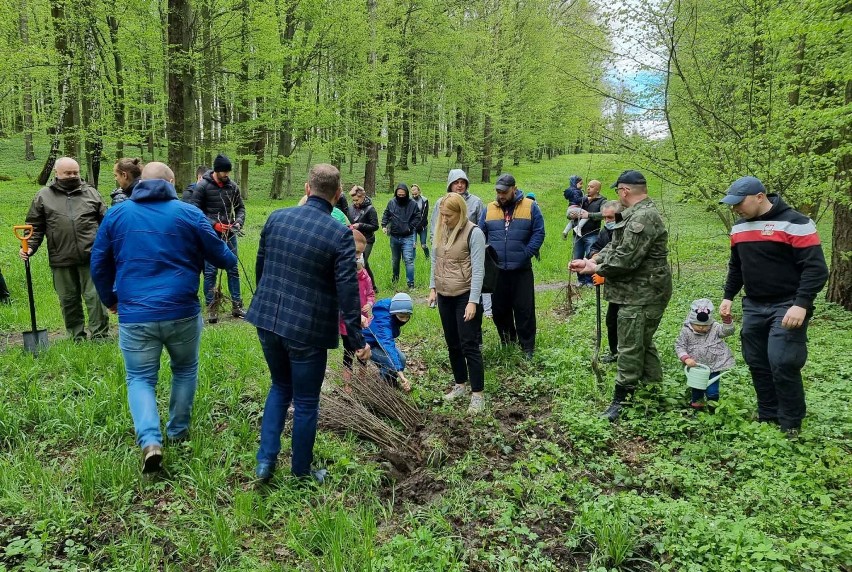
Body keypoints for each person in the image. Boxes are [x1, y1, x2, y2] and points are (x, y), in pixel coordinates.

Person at [90, 162, 237, 474]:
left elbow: (98, 262)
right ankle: (178, 431)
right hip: (182, 311)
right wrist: (223, 248)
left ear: (142, 181)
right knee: (184, 370)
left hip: (135, 313)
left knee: (140, 378)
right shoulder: (188, 213)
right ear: (172, 182)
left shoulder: (117, 214)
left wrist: (110, 299)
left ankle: (150, 441)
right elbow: (224, 259)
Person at [246, 163, 370, 484]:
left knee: (279, 386)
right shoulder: (339, 234)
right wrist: (356, 342)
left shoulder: (277, 218)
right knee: (304, 401)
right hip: (308, 330)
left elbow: (262, 269)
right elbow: (347, 292)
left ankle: (265, 463)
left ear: (307, 188)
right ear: (338, 195)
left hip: (268, 320)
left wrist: (268, 302)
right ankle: (301, 472)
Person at [719, 176, 828, 435]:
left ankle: (791, 421)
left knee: (782, 360)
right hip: (755, 304)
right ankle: (767, 413)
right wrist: (728, 296)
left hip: (788, 304)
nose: (735, 209)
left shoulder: (797, 223)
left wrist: (801, 304)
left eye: (739, 203)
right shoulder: (739, 228)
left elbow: (816, 269)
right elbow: (737, 266)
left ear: (760, 196)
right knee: (756, 360)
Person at [570, 170, 672, 421]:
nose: (618, 195)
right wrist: (591, 261)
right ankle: (652, 390)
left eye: (618, 191)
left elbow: (626, 259)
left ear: (624, 191)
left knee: (629, 345)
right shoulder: (633, 215)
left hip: (642, 294)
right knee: (642, 342)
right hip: (634, 292)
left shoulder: (644, 217)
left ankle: (622, 401)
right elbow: (615, 247)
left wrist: (597, 268)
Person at [20, 157, 110, 341]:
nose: (72, 176)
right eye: (67, 173)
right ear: (57, 174)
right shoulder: (43, 196)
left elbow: (107, 223)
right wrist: (29, 247)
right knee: (68, 299)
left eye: (75, 172)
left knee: (95, 298)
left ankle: (100, 336)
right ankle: (76, 336)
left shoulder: (91, 193)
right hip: (60, 257)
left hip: (91, 256)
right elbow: (34, 227)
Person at [428, 192, 487, 414]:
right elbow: (436, 260)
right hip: (444, 294)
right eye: (442, 215)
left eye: (449, 216)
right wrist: (433, 287)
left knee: (468, 344)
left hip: (465, 294)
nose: (444, 220)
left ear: (460, 213)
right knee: (452, 343)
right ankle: (460, 384)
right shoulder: (441, 230)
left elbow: (479, 270)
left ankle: (478, 394)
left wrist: (473, 301)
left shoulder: (474, 233)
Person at [479, 173, 545, 359]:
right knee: (500, 309)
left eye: (504, 192)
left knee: (524, 309)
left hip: (521, 269)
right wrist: (487, 257)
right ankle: (507, 340)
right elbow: (480, 234)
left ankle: (527, 347)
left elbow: (539, 233)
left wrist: (526, 253)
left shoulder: (531, 207)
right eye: (498, 191)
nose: (501, 195)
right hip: (497, 270)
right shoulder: (489, 209)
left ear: (514, 189)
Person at [189, 154, 246, 322]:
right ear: (217, 170)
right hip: (210, 234)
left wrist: (237, 223)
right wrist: (213, 224)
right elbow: (194, 210)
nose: (227, 175)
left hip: (230, 233)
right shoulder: (203, 187)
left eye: (228, 172)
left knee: (233, 268)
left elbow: (241, 208)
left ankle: (237, 305)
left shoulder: (233, 187)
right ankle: (212, 308)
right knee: (210, 271)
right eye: (224, 172)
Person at [675, 298, 735, 409]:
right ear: (691, 322)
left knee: (713, 390)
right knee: (697, 389)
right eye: (698, 325)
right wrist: (686, 358)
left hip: (714, 365)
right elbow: (680, 346)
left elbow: (728, 331)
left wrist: (726, 320)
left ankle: (713, 406)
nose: (701, 328)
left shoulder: (715, 328)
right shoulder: (686, 331)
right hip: (696, 367)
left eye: (705, 326)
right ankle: (697, 408)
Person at [340, 230, 375, 391]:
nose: (357, 256)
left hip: (363, 322)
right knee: (348, 353)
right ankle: (347, 384)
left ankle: (361, 381)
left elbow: (370, 293)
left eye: (360, 254)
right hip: (346, 324)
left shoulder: (365, 276)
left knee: (362, 352)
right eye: (356, 252)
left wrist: (369, 303)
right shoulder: (342, 273)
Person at [588, 200, 623, 364]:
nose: (607, 221)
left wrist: (603, 273)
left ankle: (626, 356)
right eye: (605, 218)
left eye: (610, 218)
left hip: (629, 287)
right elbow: (597, 247)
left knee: (626, 322)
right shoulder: (605, 231)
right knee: (611, 320)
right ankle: (614, 352)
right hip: (614, 287)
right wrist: (594, 258)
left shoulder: (626, 232)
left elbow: (621, 260)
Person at [362, 293, 413, 392]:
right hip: (367, 345)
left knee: (401, 359)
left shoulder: (393, 310)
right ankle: (382, 389)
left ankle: (391, 382)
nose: (404, 320)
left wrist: (398, 370)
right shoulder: (383, 323)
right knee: (390, 363)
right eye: (401, 316)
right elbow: (388, 345)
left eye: (407, 316)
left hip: (378, 341)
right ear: (394, 313)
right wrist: (401, 375)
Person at [381, 182, 420, 289]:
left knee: (409, 260)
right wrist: (384, 225)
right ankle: (395, 279)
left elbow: (417, 217)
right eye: (399, 195)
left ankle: (411, 284)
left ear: (406, 194)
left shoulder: (412, 204)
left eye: (403, 195)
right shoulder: (391, 203)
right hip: (394, 236)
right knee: (395, 260)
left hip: (407, 236)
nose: (401, 197)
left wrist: (410, 227)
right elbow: (386, 214)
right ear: (396, 194)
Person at [570, 179, 606, 286]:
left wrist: (589, 215)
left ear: (598, 189)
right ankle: (581, 280)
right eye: (588, 186)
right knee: (577, 257)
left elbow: (604, 214)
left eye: (592, 187)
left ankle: (590, 281)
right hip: (577, 234)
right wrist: (572, 214)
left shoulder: (602, 201)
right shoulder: (582, 199)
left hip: (592, 234)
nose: (588, 188)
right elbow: (571, 209)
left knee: (591, 258)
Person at [348, 185, 379, 292]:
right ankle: (373, 287)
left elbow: (375, 226)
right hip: (355, 240)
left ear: (363, 197)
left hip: (367, 240)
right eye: (353, 200)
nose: (355, 202)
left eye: (357, 200)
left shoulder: (370, 209)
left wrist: (360, 225)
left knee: (361, 263)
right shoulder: (351, 208)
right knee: (365, 263)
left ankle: (367, 288)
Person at [561, 175, 584, 240]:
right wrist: (585, 198)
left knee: (572, 221)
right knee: (586, 215)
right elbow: (577, 200)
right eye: (580, 184)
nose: (582, 185)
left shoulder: (571, 191)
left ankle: (565, 231)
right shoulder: (576, 191)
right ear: (575, 183)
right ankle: (578, 227)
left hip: (570, 209)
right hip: (576, 208)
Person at [410, 184, 430, 259]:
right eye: (412, 190)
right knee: (413, 245)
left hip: (422, 226)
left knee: (423, 245)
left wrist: (420, 225)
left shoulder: (424, 200)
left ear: (419, 191)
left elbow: (425, 214)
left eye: (415, 190)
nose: (414, 192)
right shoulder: (409, 201)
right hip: (413, 226)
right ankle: (413, 260)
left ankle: (428, 258)